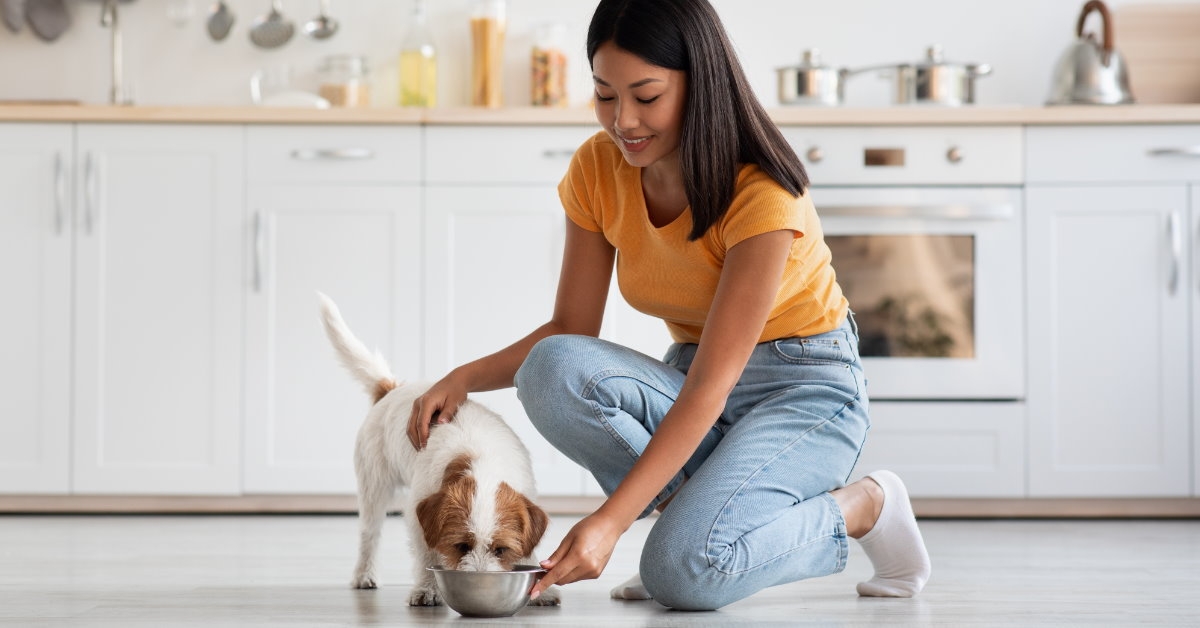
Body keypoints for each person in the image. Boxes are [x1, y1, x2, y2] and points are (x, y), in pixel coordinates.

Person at [406, 0, 931, 611]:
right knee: (551, 368)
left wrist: (609, 523)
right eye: (605, 94)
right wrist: (463, 378)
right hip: (691, 374)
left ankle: (863, 506)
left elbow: (711, 387)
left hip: (803, 390)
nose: (622, 119)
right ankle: (698, 533)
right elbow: (571, 330)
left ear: (699, 84)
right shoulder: (598, 170)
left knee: (683, 576)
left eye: (646, 96)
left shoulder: (761, 191)